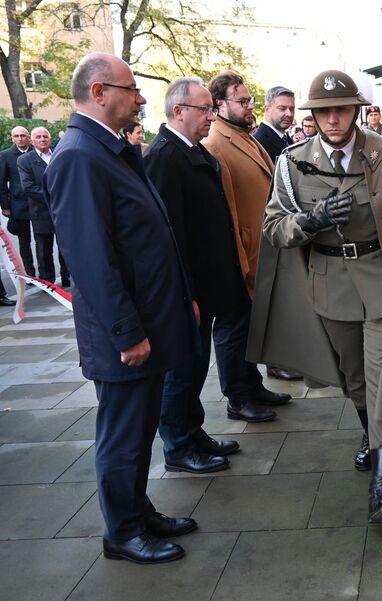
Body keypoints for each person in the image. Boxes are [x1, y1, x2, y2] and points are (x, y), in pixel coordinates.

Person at [248, 69, 382, 523]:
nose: (333, 119)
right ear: (313, 116)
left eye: (341, 110)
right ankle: (371, 436)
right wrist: (312, 220)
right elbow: (274, 228)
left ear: (356, 110)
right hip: (328, 283)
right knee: (355, 379)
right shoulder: (292, 163)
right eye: (323, 112)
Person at [45, 52, 199, 564]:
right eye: (130, 88)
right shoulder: (78, 155)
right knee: (123, 437)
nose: (138, 98)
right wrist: (125, 331)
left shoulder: (108, 150)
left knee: (138, 428)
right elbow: (91, 259)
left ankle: (138, 511)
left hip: (148, 322)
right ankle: (123, 533)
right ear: (98, 93)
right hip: (125, 333)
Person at [144, 77, 247, 474]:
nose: (211, 115)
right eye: (204, 109)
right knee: (181, 370)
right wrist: (185, 293)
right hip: (188, 289)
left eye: (211, 108)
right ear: (178, 111)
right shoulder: (164, 157)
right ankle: (179, 445)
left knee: (196, 362)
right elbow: (168, 236)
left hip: (207, 283)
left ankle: (194, 431)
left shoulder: (191, 151)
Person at [204, 70, 295, 404]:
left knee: (250, 326)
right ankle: (239, 398)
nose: (248, 106)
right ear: (219, 104)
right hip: (239, 256)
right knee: (234, 330)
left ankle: (252, 386)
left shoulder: (244, 136)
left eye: (249, 100)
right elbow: (227, 209)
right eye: (241, 101)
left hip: (262, 248)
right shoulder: (216, 143)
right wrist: (241, 257)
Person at [18, 127, 69, 287]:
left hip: (63, 210)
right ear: (32, 141)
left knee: (66, 247)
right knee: (44, 250)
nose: (42, 139)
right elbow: (28, 186)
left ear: (50, 138)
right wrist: (54, 196)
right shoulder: (25, 160)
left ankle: (68, 278)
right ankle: (48, 282)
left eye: (45, 136)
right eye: (38, 137)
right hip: (41, 211)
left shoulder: (60, 154)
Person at [0, 126, 36, 280]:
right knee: (24, 242)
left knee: (44, 240)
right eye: (17, 136)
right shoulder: (5, 155)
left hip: (38, 202)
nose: (20, 138)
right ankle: (30, 274)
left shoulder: (36, 153)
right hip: (18, 205)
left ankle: (47, 274)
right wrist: (5, 206)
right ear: (12, 138)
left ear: (28, 137)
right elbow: (1, 182)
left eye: (23, 135)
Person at [252, 85, 295, 163]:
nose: (289, 114)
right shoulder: (257, 143)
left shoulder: (288, 140)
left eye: (292, 109)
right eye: (282, 108)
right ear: (267, 110)